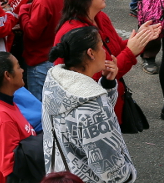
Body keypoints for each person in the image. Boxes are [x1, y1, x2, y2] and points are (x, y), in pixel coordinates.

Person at [54, 0, 162, 123]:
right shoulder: (75, 33)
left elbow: (115, 49)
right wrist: (131, 51)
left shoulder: (100, 17)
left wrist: (140, 38)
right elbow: (101, 76)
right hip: (90, 111)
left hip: (110, 100)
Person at [43, 26, 138, 183]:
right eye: (101, 46)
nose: (105, 51)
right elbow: (111, 171)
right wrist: (127, 177)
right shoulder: (93, 105)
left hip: (60, 174)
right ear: (91, 53)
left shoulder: (54, 82)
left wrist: (107, 83)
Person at [0, 51, 38, 183]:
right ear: (7, 75)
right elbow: (12, 168)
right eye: (18, 67)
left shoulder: (4, 102)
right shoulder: (0, 118)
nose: (22, 70)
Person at [21, 0, 66, 99]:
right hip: (56, 55)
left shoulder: (43, 0)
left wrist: (23, 11)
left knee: (39, 105)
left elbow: (32, 32)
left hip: (40, 62)